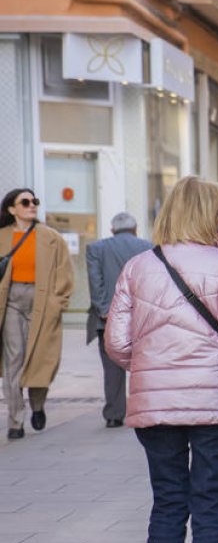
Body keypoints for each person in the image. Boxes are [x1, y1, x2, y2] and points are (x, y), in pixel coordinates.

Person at [105, 176, 218, 543]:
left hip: (154, 405)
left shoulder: (138, 266)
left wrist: (149, 371)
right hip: (215, 403)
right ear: (210, 216)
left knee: (168, 498)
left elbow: (117, 342)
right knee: (211, 500)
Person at [0, 188, 73, 440]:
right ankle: (15, 419)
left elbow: (65, 274)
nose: (32, 205)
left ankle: (38, 405)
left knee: (40, 358)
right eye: (25, 202)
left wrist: (57, 303)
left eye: (35, 201)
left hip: (43, 300)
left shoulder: (51, 237)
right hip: (10, 301)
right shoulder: (2, 237)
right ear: (12, 209)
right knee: (14, 357)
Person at [85, 212, 152, 428]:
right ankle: (147, 408)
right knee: (145, 365)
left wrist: (105, 309)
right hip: (142, 317)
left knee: (112, 367)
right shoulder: (148, 247)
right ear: (135, 229)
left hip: (108, 319)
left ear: (112, 230)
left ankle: (114, 414)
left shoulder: (96, 248)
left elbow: (96, 282)